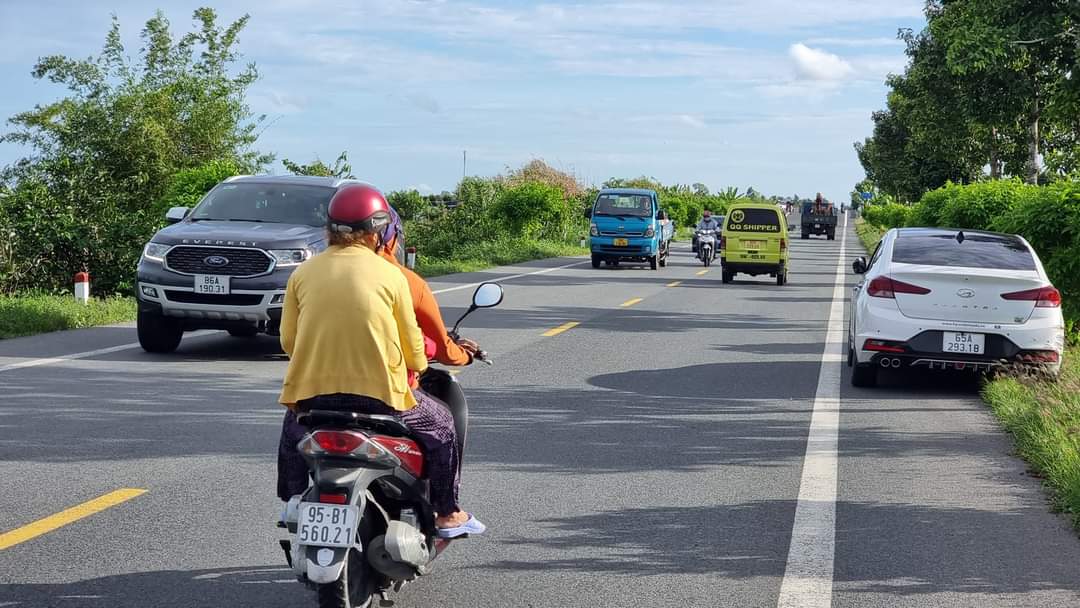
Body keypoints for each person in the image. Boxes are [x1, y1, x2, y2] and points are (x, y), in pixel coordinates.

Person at [276, 184, 483, 538]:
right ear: (378, 231)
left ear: (330, 228)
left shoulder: (302, 274)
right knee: (443, 427)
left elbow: (289, 342)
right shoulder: (392, 276)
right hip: (381, 398)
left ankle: (293, 499)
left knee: (291, 431)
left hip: (313, 398)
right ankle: (447, 513)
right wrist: (413, 366)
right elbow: (414, 349)